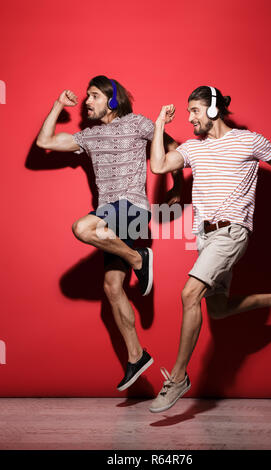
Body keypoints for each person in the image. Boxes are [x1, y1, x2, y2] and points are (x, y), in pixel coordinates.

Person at [149, 85, 271, 412]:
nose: (190, 118)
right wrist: (160, 123)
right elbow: (158, 167)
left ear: (213, 110)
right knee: (218, 309)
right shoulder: (194, 149)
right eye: (188, 112)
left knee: (190, 294)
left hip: (232, 233)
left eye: (195, 111)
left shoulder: (249, 140)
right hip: (205, 239)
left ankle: (177, 378)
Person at [36, 75, 180, 391]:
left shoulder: (139, 124)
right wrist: (58, 104)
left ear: (112, 99)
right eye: (87, 96)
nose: (87, 101)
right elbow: (44, 142)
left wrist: (177, 188)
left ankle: (139, 259)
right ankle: (136, 356)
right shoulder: (89, 137)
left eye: (94, 96)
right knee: (112, 287)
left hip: (132, 207)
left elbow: (172, 148)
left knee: (81, 228)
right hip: (109, 220)